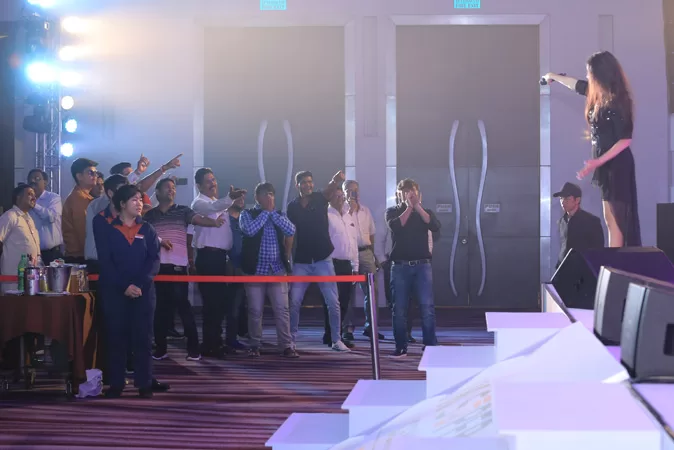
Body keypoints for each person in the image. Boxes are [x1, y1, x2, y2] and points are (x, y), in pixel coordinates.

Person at [544, 51, 641, 247]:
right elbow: (576, 85)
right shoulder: (597, 95)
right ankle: (614, 260)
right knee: (610, 219)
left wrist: (598, 161)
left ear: (601, 74)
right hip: (606, 165)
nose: (587, 76)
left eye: (590, 73)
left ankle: (616, 262)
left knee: (616, 221)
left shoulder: (618, 101)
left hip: (617, 166)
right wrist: (553, 76)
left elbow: (625, 140)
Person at [144, 178, 224, 361]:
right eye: (167, 188)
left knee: (184, 307)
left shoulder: (183, 211)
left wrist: (214, 223)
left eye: (173, 188)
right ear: (157, 192)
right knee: (159, 309)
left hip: (178, 267)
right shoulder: (149, 215)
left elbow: (198, 219)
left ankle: (193, 349)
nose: (171, 190)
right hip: (157, 267)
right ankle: (161, 349)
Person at [93, 184, 160, 398]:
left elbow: (154, 260)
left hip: (143, 292)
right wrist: (125, 286)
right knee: (116, 338)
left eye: (140, 199)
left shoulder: (147, 229)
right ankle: (116, 383)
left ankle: (144, 383)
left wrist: (139, 285)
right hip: (115, 291)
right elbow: (106, 262)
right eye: (134, 199)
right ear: (122, 204)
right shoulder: (109, 229)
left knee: (143, 338)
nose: (139, 203)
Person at [287, 170, 351, 352]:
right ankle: (290, 340)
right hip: (301, 261)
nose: (308, 185)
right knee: (294, 302)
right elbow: (289, 233)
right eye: (304, 182)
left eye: (310, 181)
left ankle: (336, 340)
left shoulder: (319, 198)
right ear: (297, 185)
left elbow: (329, 190)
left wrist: (336, 179)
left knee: (333, 302)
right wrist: (288, 258)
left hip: (323, 259)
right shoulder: (292, 206)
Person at [239, 182, 298, 358]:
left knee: (282, 309)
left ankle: (286, 345)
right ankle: (254, 345)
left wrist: (272, 214)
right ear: (257, 197)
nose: (269, 197)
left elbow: (291, 230)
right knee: (255, 310)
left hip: (277, 269)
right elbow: (249, 230)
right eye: (265, 194)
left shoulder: (279, 214)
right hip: (255, 270)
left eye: (271, 194)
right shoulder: (247, 214)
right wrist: (265, 213)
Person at [386, 178, 441, 358]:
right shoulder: (392, 212)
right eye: (405, 192)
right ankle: (401, 346)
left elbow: (434, 226)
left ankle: (430, 344)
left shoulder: (425, 212)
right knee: (399, 309)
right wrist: (409, 207)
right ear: (399, 195)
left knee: (427, 307)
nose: (409, 195)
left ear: (418, 194)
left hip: (422, 266)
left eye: (412, 192)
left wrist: (417, 206)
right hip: (400, 267)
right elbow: (397, 227)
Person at [553, 182, 605, 267]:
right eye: (561, 198)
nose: (563, 202)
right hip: (563, 269)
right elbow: (564, 247)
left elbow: (598, 250)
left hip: (583, 270)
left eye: (567, 198)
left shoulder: (591, 221)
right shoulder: (561, 222)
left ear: (577, 200)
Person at [0, 184, 40, 293]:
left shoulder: (29, 219)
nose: (34, 197)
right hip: (12, 280)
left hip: (30, 279)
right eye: (30, 194)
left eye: (34, 195)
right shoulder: (10, 216)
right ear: (18, 197)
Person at [62, 158, 99, 263]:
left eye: (96, 173)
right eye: (90, 173)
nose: (95, 176)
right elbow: (84, 232)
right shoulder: (78, 199)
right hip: (80, 257)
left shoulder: (85, 197)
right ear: (79, 176)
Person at [27, 169, 63, 265]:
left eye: (37, 178)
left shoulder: (53, 198)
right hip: (32, 253)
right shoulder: (25, 200)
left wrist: (34, 205)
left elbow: (51, 217)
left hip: (52, 253)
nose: (33, 181)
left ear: (45, 182)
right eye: (30, 180)